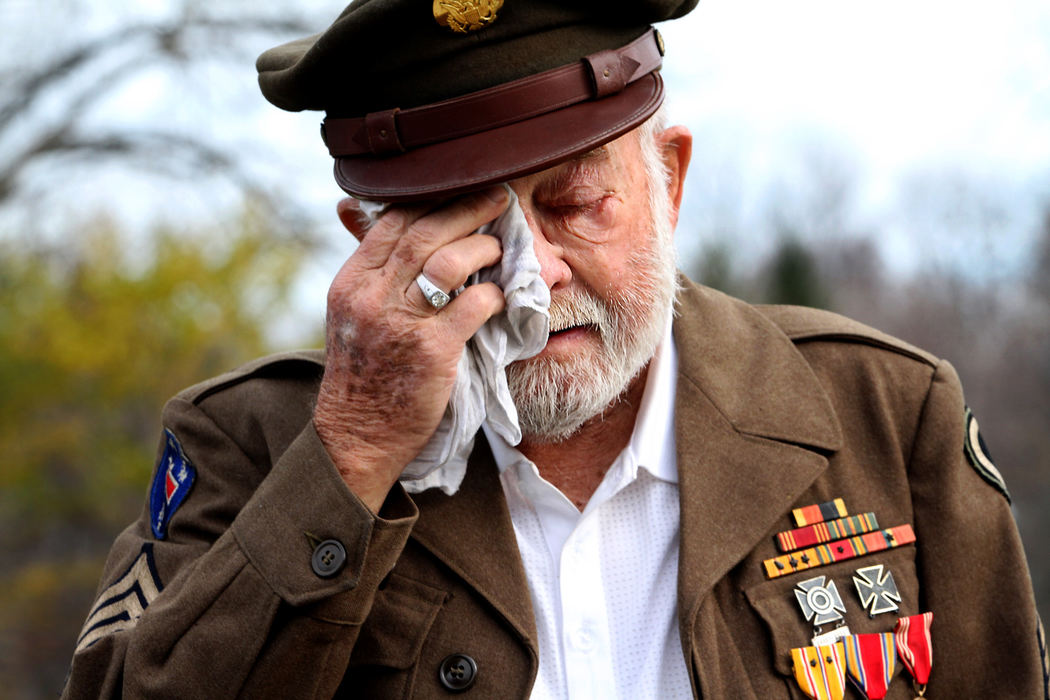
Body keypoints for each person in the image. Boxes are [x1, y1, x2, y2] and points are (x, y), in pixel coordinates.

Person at [64, 1, 1047, 698]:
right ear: (366, 243)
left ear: (670, 178)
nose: (539, 280)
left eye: (577, 205)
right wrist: (353, 456)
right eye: (472, 233)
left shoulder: (884, 410)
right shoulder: (247, 443)